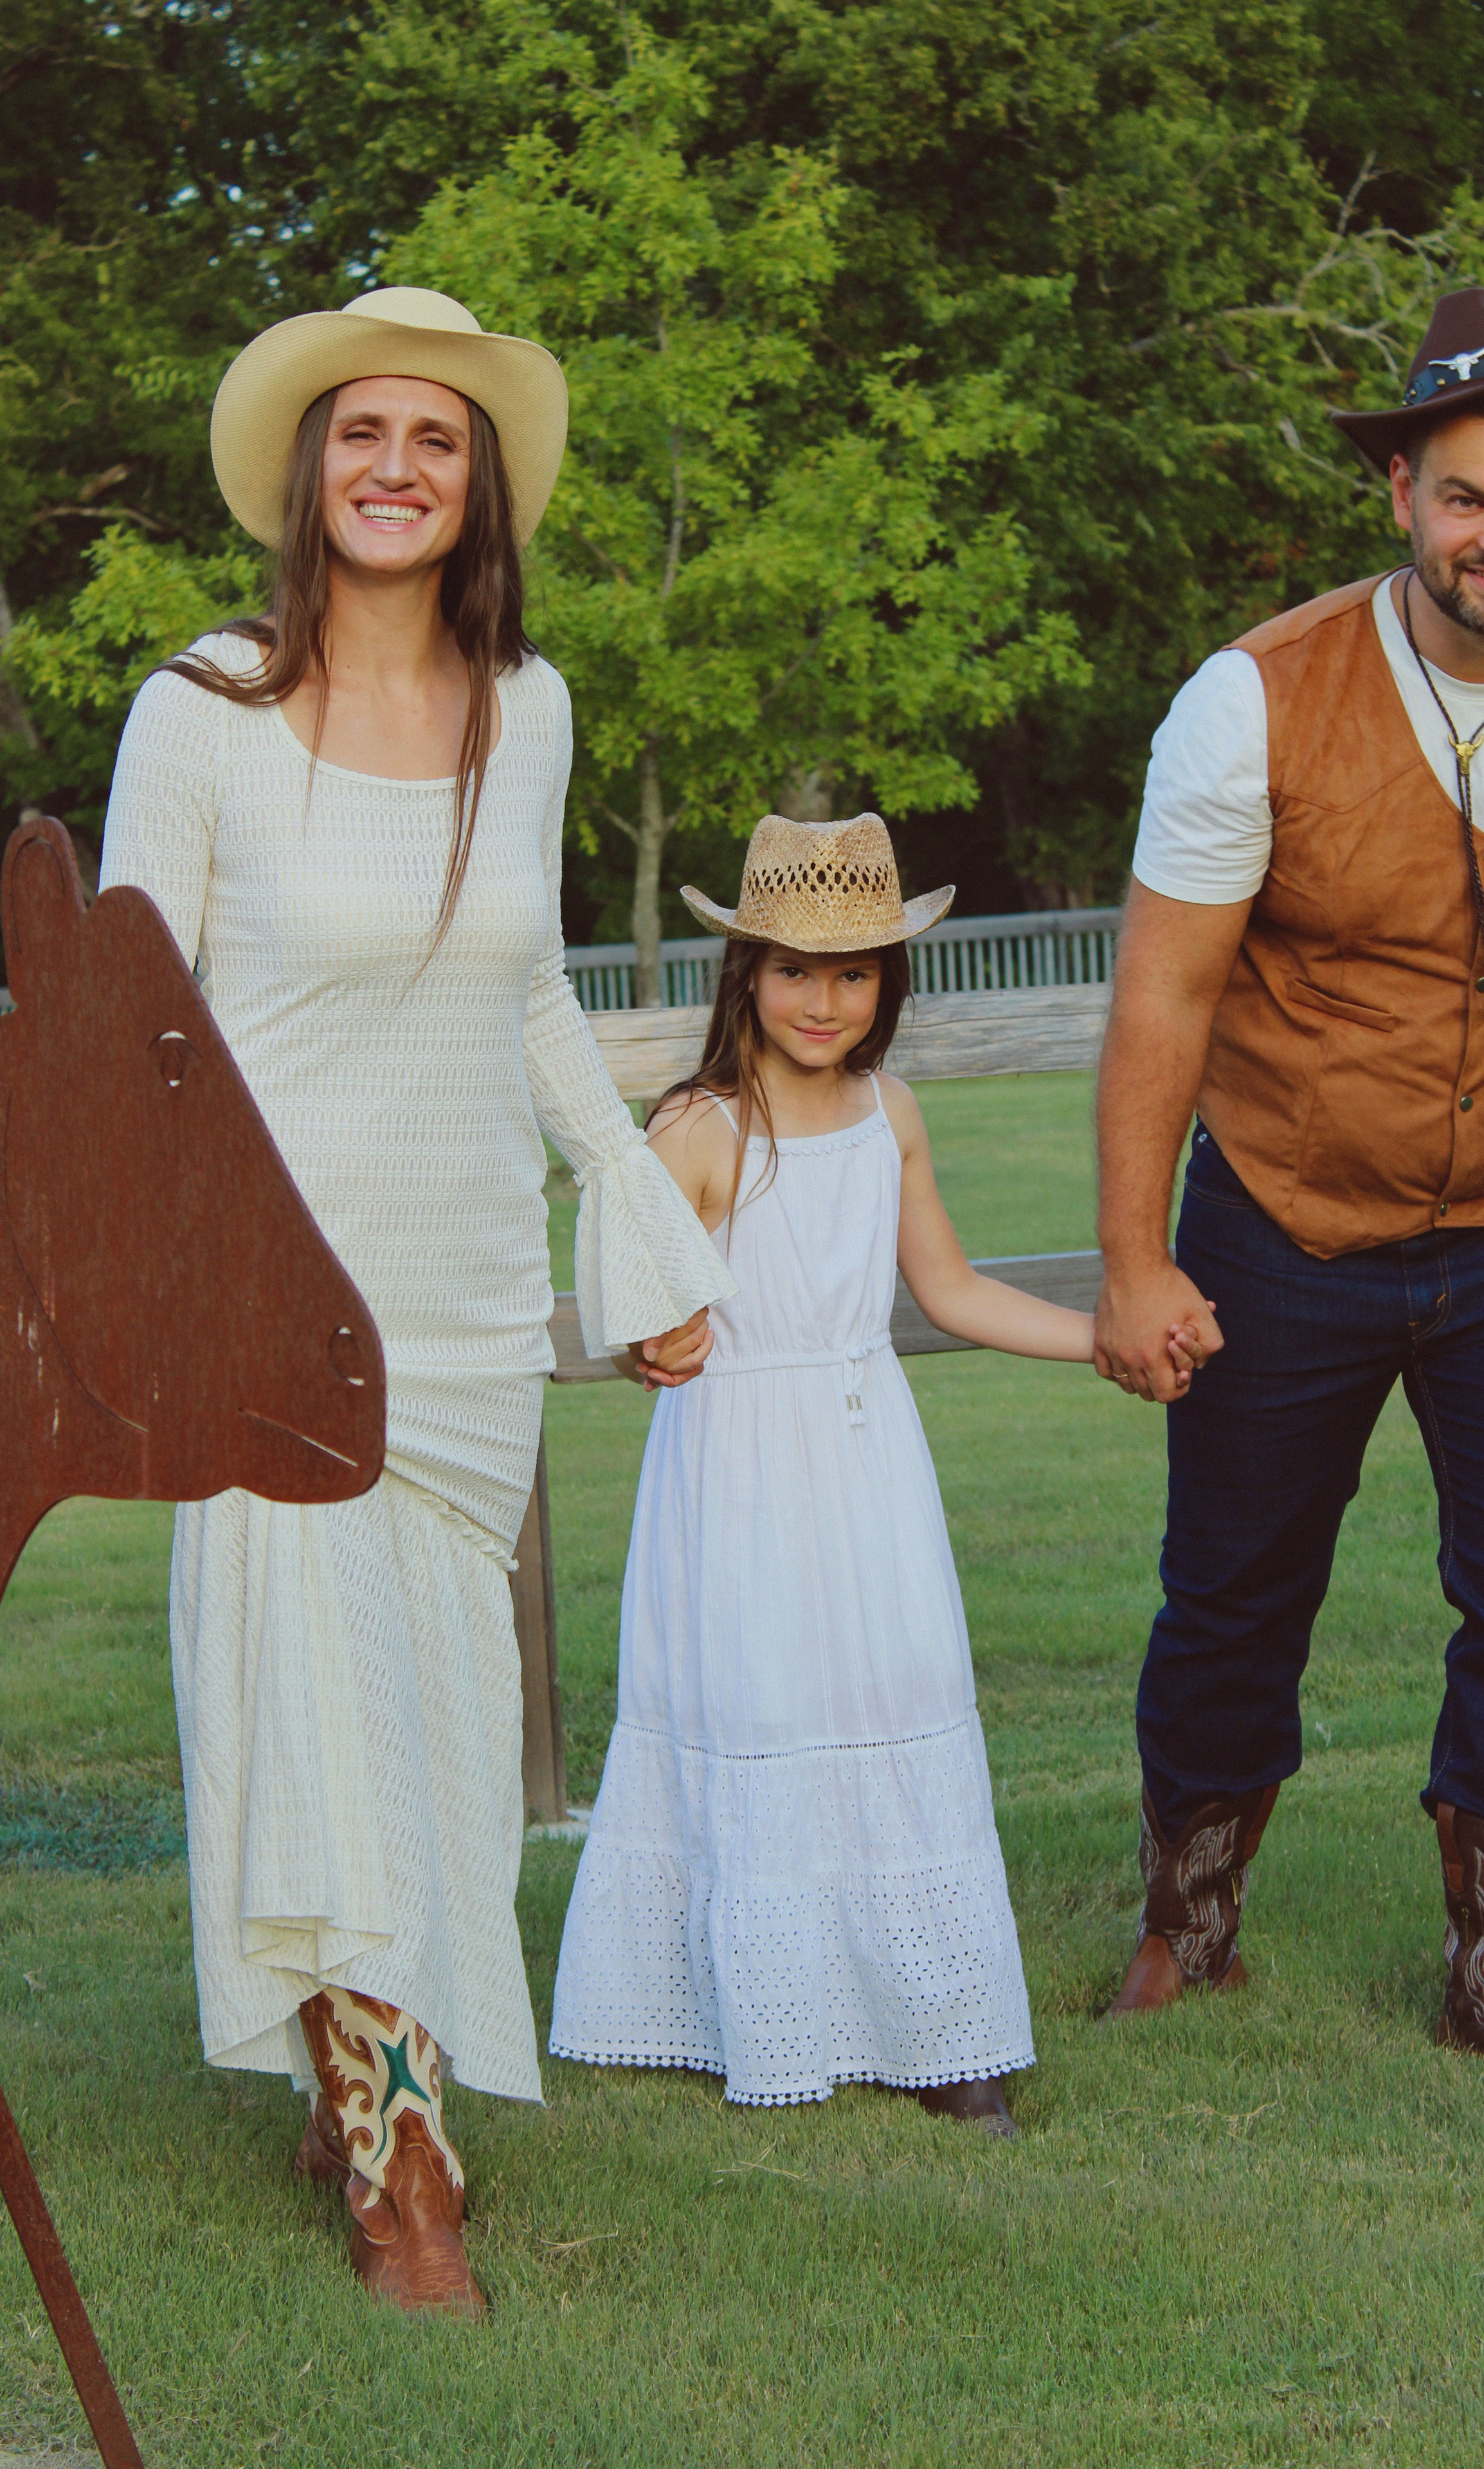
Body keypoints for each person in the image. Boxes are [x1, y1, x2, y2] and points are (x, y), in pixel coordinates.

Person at [99, 285, 735, 2312]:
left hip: (464, 1314)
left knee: (443, 1730)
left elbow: (532, 990)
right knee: (314, 1715)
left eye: (436, 439)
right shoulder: (195, 709)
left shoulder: (522, 711)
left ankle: (355, 2057)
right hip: (269, 1313)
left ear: (479, 491)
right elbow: (132, 1032)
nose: (395, 466)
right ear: (311, 471)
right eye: (363, 431)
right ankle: (402, 2170)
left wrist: (629, 1206)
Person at [1093, 287, 1484, 2104]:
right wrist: (1130, 1261)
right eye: (1469, 498)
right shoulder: (1250, 700)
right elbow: (1166, 994)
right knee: (1236, 1590)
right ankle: (1190, 1919)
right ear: (1401, 490)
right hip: (1285, 1210)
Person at [548, 814, 1094, 2131]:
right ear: (744, 972)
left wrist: (1103, 1341)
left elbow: (950, 1289)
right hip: (737, 1464)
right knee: (763, 1700)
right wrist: (646, 1350)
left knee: (891, 1687)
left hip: (865, 1459)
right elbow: (625, 1299)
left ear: (887, 985)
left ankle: (944, 2027)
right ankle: (760, 2011)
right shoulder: (700, 1127)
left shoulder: (887, 1113)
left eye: (852, 974)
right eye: (792, 970)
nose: (821, 1000)